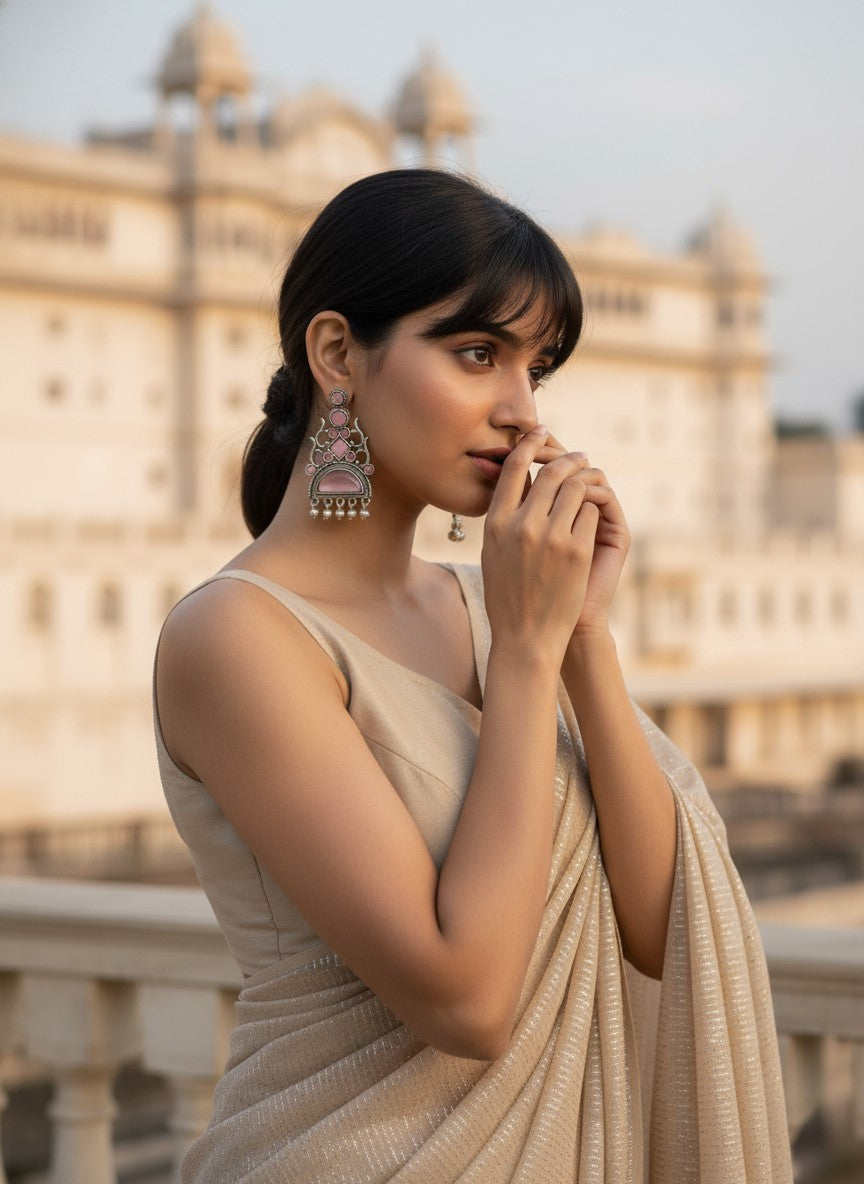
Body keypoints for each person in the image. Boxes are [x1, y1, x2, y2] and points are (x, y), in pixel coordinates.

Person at [154, 169, 792, 1183]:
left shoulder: (495, 604)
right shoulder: (236, 637)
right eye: (478, 353)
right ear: (336, 354)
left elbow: (664, 920)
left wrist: (582, 637)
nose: (519, 410)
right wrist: (531, 653)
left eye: (536, 368)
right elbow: (470, 1000)